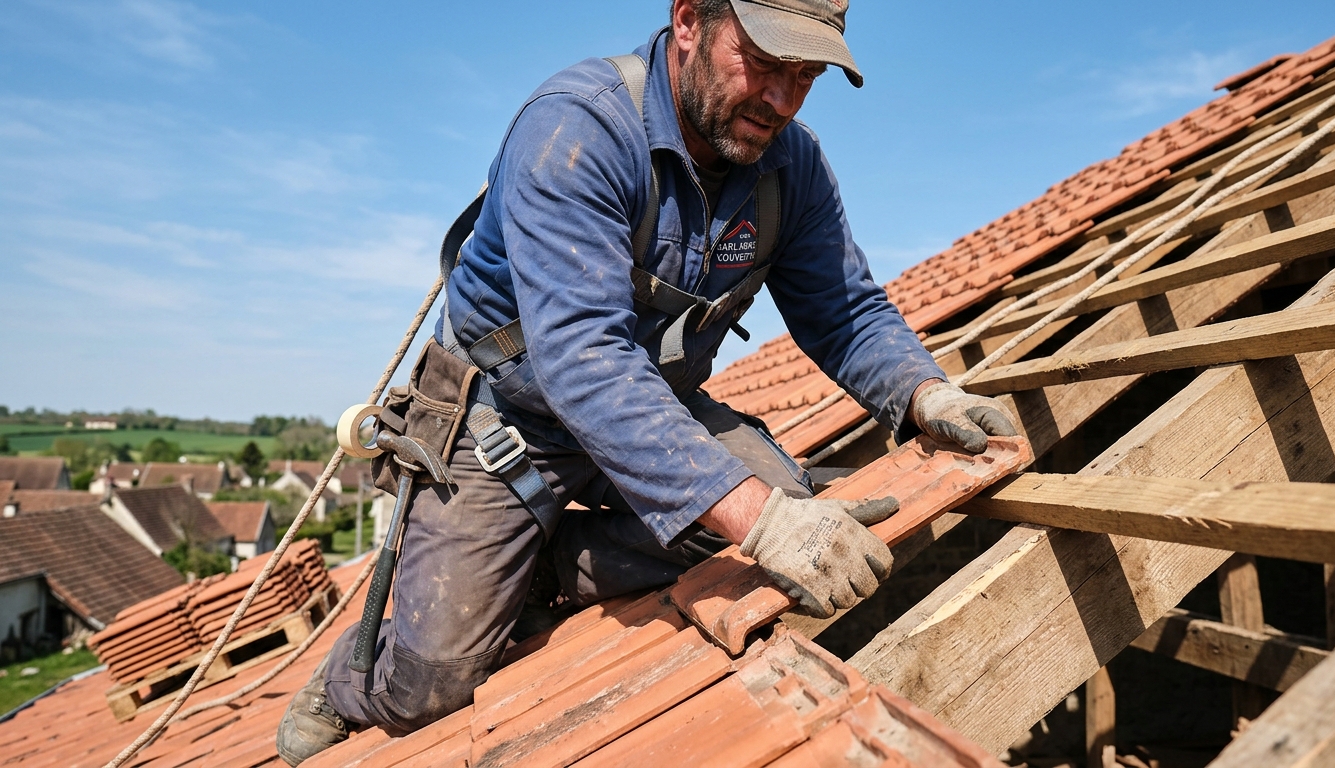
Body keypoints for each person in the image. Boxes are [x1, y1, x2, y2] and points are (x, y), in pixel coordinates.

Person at [277, 0, 1015, 763]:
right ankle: (344, 683)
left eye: (807, 76)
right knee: (429, 685)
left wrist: (929, 394)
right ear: (690, 20)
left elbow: (845, 309)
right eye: (763, 64)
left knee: (792, 523)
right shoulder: (576, 129)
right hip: (503, 423)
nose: (783, 99)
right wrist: (757, 520)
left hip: (649, 411)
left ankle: (548, 563)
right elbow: (582, 357)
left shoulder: (791, 166)